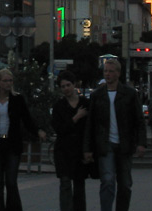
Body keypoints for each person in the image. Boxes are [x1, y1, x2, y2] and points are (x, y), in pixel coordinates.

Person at [0, 68, 47, 211]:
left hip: (12, 143)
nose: (8, 83)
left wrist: (38, 131)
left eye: (10, 81)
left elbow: (26, 119)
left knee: (11, 181)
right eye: (5, 81)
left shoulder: (17, 99)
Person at [82, 58, 146, 211]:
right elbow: (91, 123)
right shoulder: (97, 95)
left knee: (124, 184)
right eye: (105, 71)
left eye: (111, 71)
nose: (108, 74)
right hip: (106, 145)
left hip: (125, 145)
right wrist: (87, 148)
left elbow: (139, 120)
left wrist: (141, 143)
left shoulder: (129, 94)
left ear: (118, 73)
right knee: (108, 181)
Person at [51, 70, 89, 211]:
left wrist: (88, 149)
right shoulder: (59, 106)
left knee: (79, 185)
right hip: (63, 150)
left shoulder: (85, 103)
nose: (66, 88)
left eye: (68, 85)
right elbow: (59, 128)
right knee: (65, 183)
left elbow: (89, 128)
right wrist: (76, 117)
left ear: (74, 85)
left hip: (80, 149)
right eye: (63, 86)